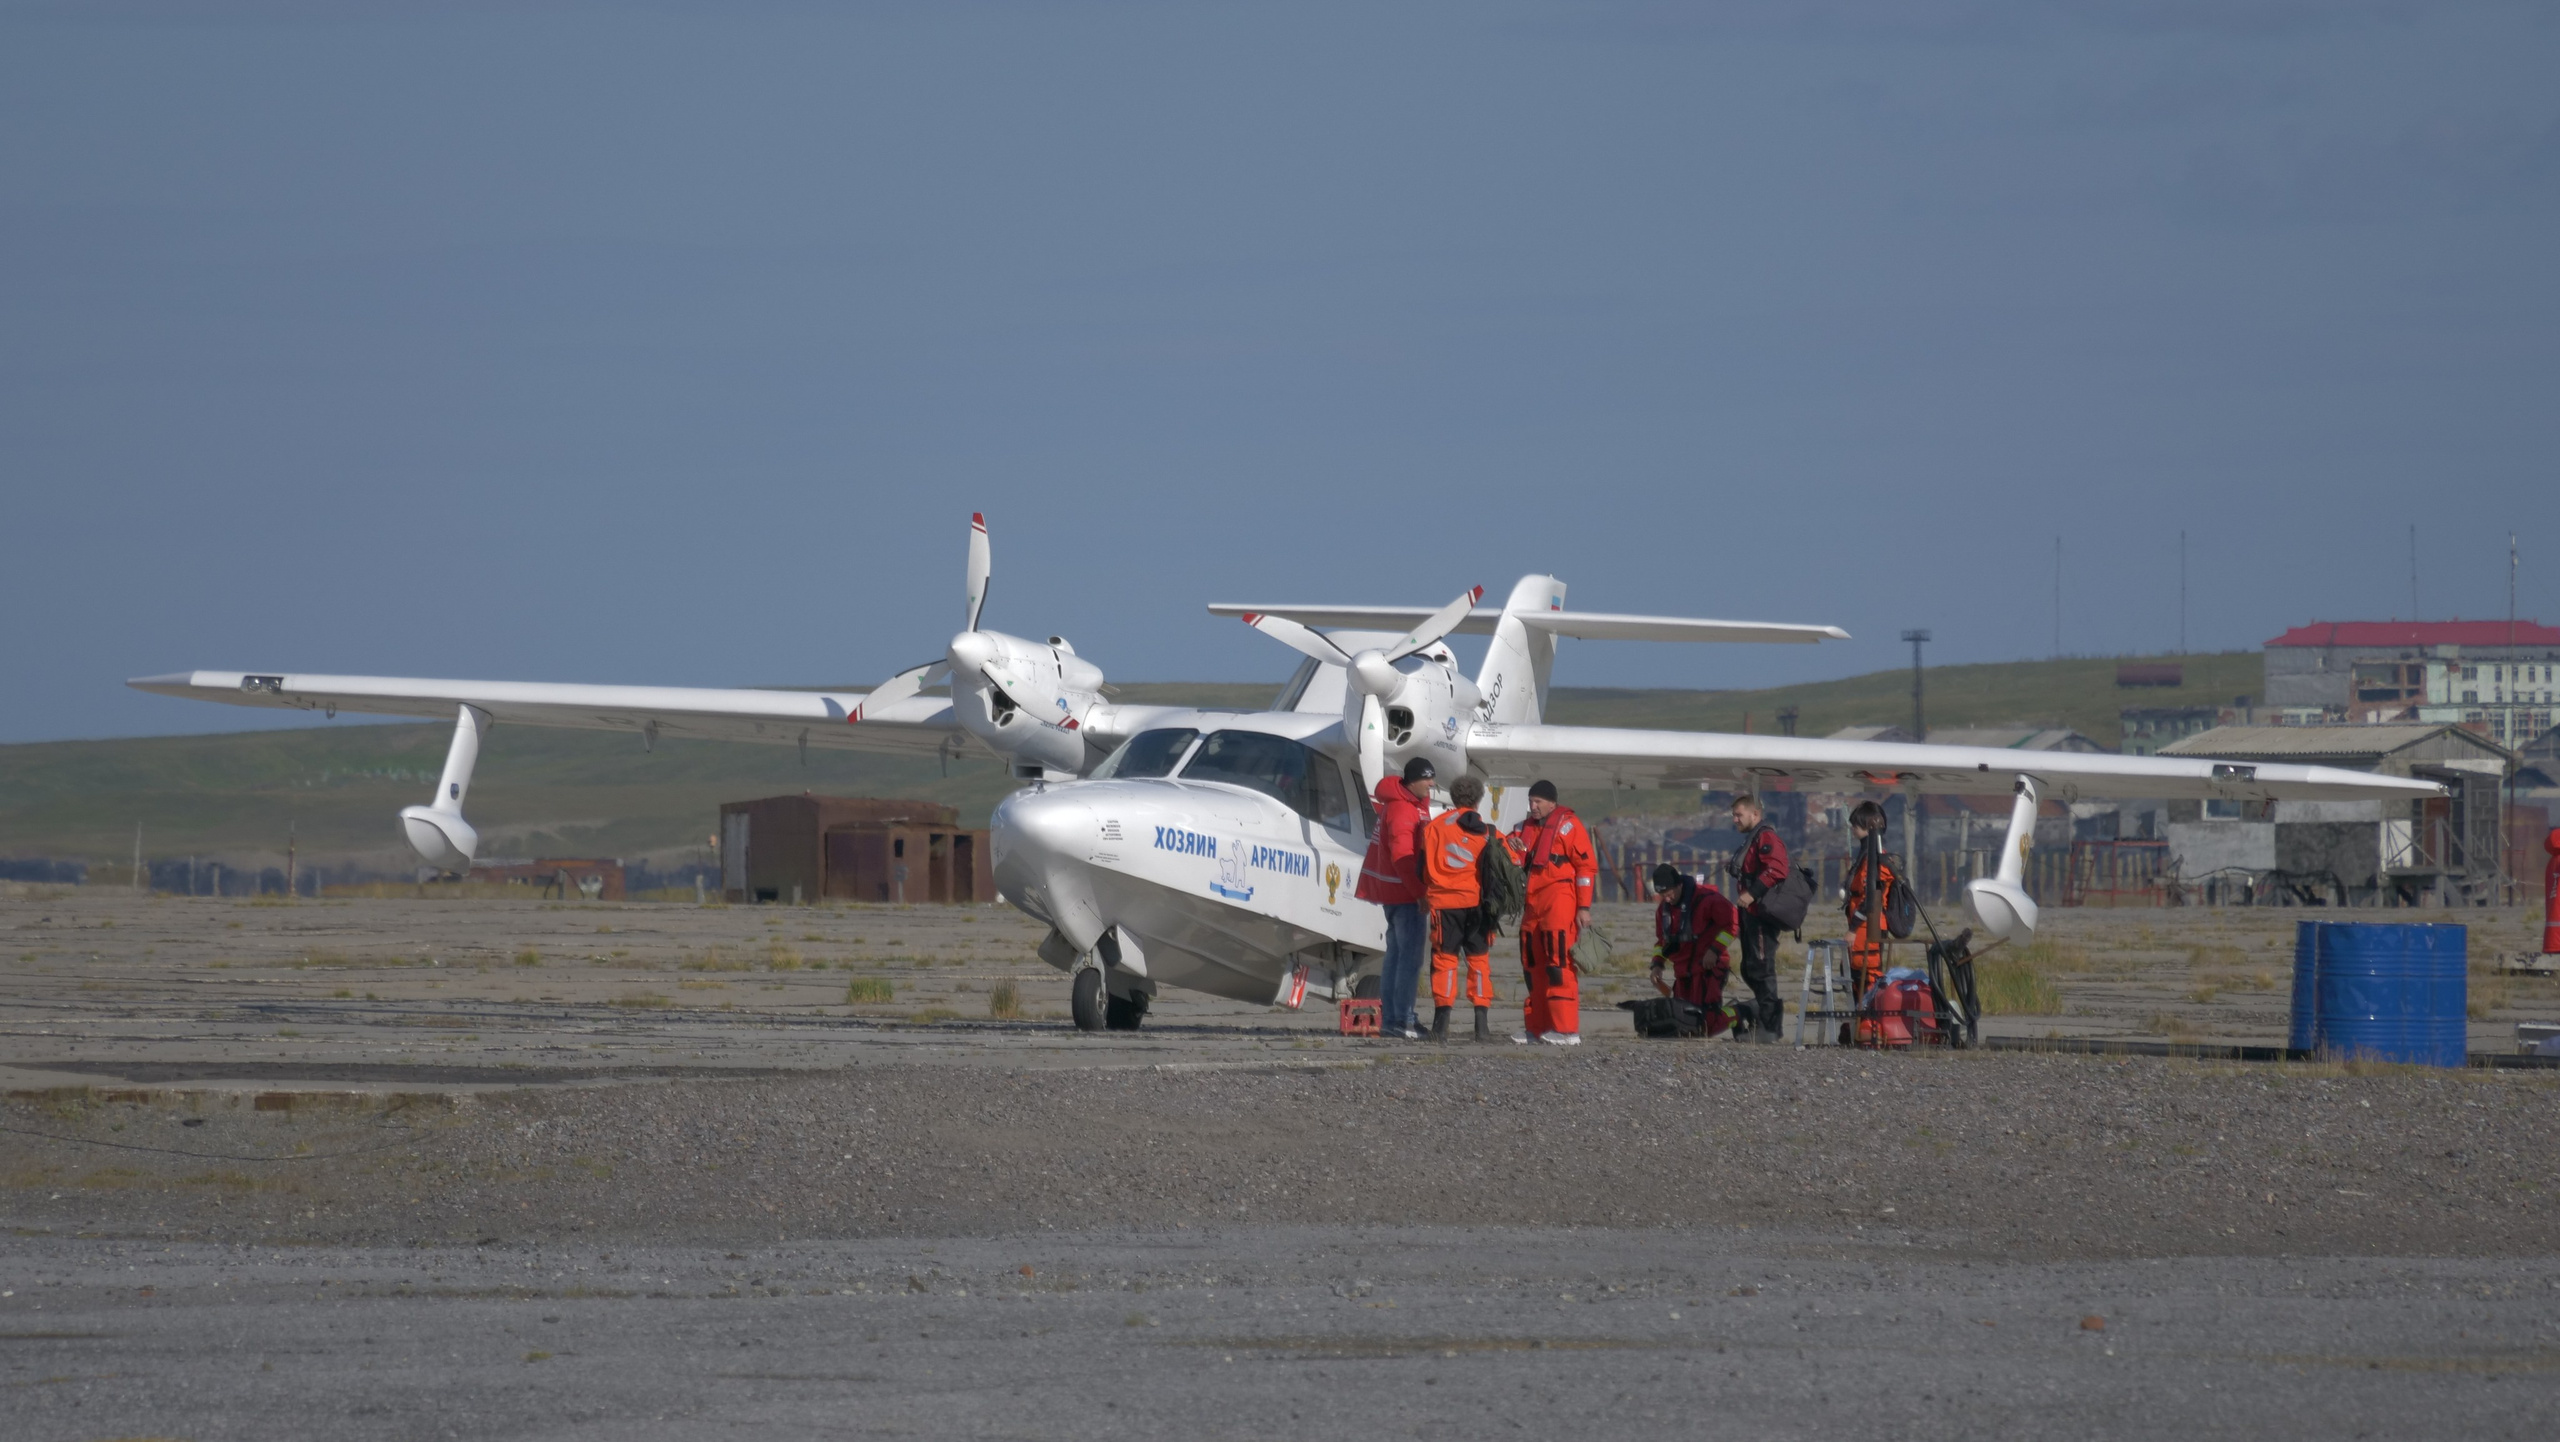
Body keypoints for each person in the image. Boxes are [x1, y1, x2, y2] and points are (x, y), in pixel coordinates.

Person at [1508, 778, 1596, 1046]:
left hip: (1560, 900)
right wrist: (1507, 844)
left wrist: (1583, 906)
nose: (1533, 806)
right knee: (1531, 963)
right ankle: (1537, 1028)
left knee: (1559, 963)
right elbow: (1511, 854)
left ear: (1552, 803)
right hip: (1533, 903)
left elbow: (1586, 868)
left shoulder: (1569, 827)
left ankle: (1567, 1030)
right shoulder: (1523, 830)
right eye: (1531, 801)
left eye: (1538, 802)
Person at [1356, 756, 1436, 1039]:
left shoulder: (1402, 804)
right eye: (1427, 778)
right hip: (1404, 895)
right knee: (1409, 959)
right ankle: (1403, 1018)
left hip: (1394, 894)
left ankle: (1391, 1018)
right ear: (1412, 781)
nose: (1431, 784)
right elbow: (1403, 857)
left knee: (1395, 956)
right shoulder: (1404, 810)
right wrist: (1420, 893)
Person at [1420, 775, 1496, 1042]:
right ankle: (1481, 1026)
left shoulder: (1434, 827)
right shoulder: (1488, 831)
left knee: (1444, 961)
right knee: (1479, 962)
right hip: (1478, 906)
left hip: (1444, 904)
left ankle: (1440, 1027)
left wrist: (1425, 897)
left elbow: (1423, 868)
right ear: (1478, 799)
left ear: (1453, 798)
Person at [1721, 792, 1789, 1042]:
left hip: (1761, 914)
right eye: (1733, 816)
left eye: (1739, 815)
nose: (1735, 820)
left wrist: (1752, 893)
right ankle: (1761, 1013)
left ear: (1755, 814)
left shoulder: (1767, 837)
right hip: (1749, 913)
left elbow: (1777, 868)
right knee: (1749, 969)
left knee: (1761, 969)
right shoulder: (1753, 838)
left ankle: (1770, 1028)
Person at [1649, 862, 1738, 1036]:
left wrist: (1715, 950)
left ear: (1679, 885)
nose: (1667, 899)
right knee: (1684, 1024)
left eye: (1669, 894)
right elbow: (1661, 941)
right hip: (1683, 974)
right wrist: (1657, 965)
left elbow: (1732, 925)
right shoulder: (1663, 911)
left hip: (1709, 969)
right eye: (1662, 895)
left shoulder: (1707, 900)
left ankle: (1740, 1013)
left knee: (1706, 1026)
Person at [1842, 799, 1903, 1001]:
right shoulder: (1867, 856)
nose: (1852, 829)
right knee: (1854, 976)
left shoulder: (1875, 859)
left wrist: (1852, 929)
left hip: (1868, 926)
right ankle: (1859, 1024)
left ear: (1868, 826)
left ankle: (1869, 1022)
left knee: (1867, 975)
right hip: (1862, 925)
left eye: (1856, 825)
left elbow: (1870, 899)